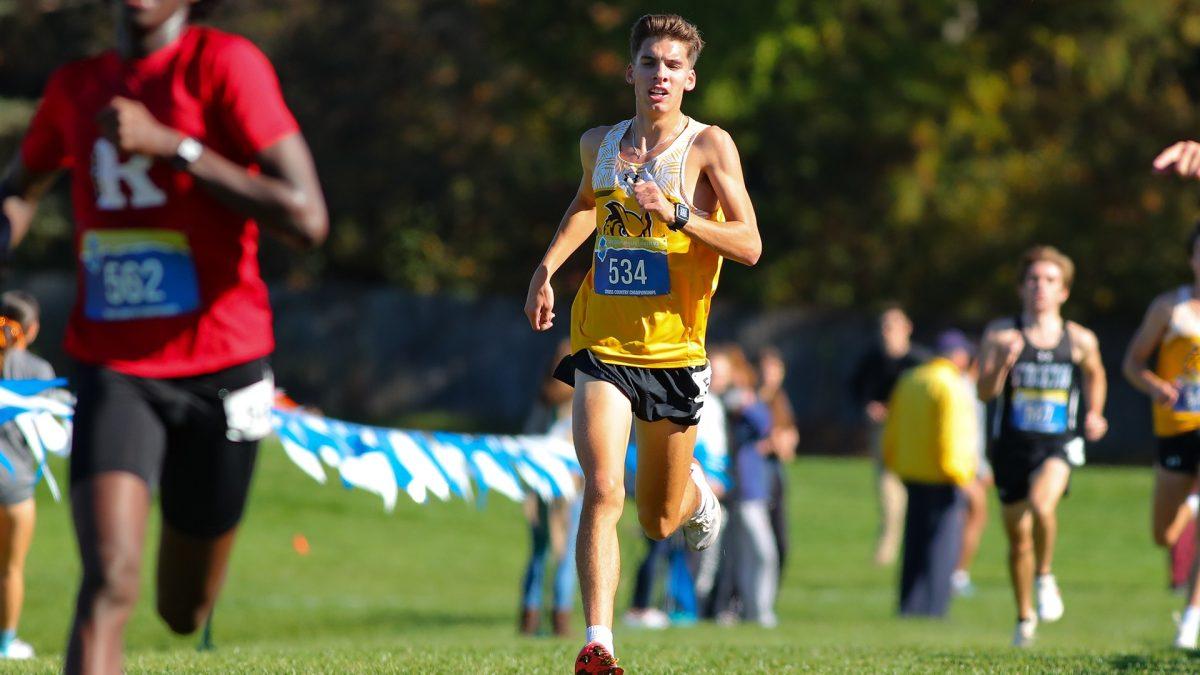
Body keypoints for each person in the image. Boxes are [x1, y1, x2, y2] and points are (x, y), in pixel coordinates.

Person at [0, 1, 328, 671]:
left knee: (183, 608)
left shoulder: (225, 66)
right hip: (114, 365)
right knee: (109, 579)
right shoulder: (76, 86)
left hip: (225, 367)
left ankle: (189, 595)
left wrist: (173, 147)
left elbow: (307, 217)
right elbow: (21, 187)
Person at [523, 13, 760, 674]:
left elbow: (750, 244)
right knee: (601, 486)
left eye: (672, 65)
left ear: (690, 78)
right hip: (603, 343)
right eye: (649, 62)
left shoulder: (710, 146)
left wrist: (680, 213)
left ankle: (696, 498)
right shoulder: (598, 143)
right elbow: (585, 205)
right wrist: (546, 270)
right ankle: (599, 641)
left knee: (659, 519)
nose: (660, 75)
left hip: (677, 355)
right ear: (630, 71)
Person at [977, 246, 1107, 647]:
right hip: (1012, 446)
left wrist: (1095, 413)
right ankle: (1023, 617)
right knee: (1017, 539)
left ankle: (1046, 574)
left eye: (1050, 281)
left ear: (1064, 291)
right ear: (1021, 286)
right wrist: (1002, 363)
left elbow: (1095, 376)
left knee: (1041, 504)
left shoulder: (1079, 338)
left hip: (1057, 444)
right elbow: (983, 392)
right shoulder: (1001, 334)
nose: (1040, 287)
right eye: (1033, 279)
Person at [1121, 220, 1200, 647]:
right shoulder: (1170, 308)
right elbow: (1132, 363)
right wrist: (1154, 385)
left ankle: (1191, 618)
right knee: (1164, 535)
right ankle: (1191, 500)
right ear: (1192, 259)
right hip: (1176, 427)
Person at [883, 330, 978, 618]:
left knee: (914, 542)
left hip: (912, 472)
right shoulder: (950, 384)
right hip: (943, 475)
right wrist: (959, 473)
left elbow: (893, 427)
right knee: (942, 546)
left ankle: (909, 605)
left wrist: (895, 462)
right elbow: (951, 434)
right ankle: (935, 608)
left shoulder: (910, 379)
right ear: (958, 356)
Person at [0, 291, 57, 659]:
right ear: (32, 330)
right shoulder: (39, 372)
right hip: (15, 487)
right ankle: (5, 644)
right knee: (10, 568)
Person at [851, 305, 927, 566]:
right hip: (884, 432)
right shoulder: (872, 360)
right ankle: (887, 551)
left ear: (907, 329)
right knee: (888, 490)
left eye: (893, 326)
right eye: (884, 326)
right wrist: (869, 406)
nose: (887, 332)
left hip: (914, 434)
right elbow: (856, 388)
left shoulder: (919, 362)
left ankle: (917, 546)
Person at [519, 340, 582, 637]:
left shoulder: (544, 396)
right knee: (566, 554)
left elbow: (529, 439)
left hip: (539, 483)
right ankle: (561, 622)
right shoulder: (583, 398)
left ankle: (529, 619)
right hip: (571, 485)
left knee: (539, 551)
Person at [951, 346, 993, 597]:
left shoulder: (976, 390)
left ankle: (957, 572)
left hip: (971, 466)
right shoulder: (962, 389)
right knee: (966, 516)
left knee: (973, 517)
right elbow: (962, 434)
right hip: (959, 467)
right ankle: (954, 573)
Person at [757, 346, 798, 579]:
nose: (771, 375)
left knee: (780, 540)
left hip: (776, 473)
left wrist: (785, 442)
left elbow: (789, 439)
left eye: (776, 370)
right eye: (767, 369)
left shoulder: (781, 399)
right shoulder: (753, 399)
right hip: (758, 474)